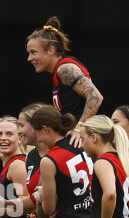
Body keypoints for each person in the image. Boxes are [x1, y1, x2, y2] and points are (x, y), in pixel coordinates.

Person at [25, 16, 103, 146]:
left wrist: (79, 129)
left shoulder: (65, 69)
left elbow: (95, 97)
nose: (29, 58)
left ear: (51, 50)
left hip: (82, 141)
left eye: (33, 52)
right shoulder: (59, 72)